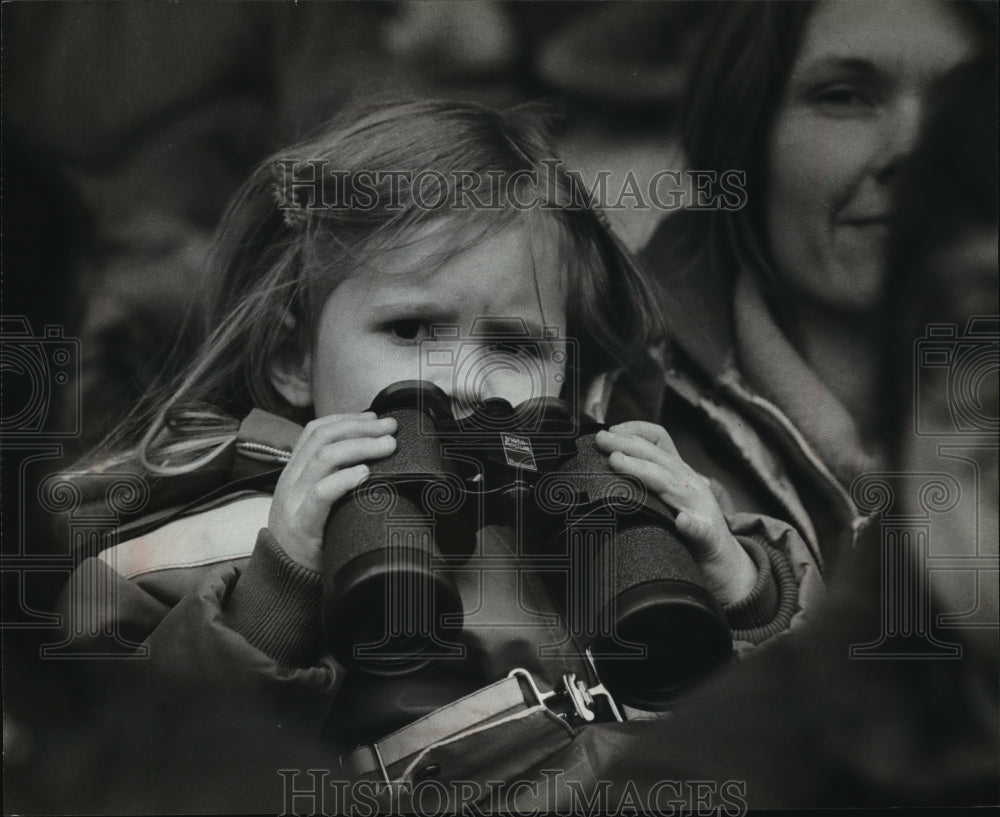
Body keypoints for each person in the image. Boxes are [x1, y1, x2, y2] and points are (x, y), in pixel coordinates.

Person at [47, 100, 809, 814]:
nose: (461, 380)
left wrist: (743, 590)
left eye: (513, 344)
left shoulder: (613, 509)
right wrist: (276, 589)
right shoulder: (230, 541)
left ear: (570, 377)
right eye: (411, 330)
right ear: (294, 358)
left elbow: (803, 718)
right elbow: (129, 745)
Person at [639, 0, 996, 575]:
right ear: (745, 137)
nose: (912, 147)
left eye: (967, 98)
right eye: (844, 96)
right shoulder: (608, 398)